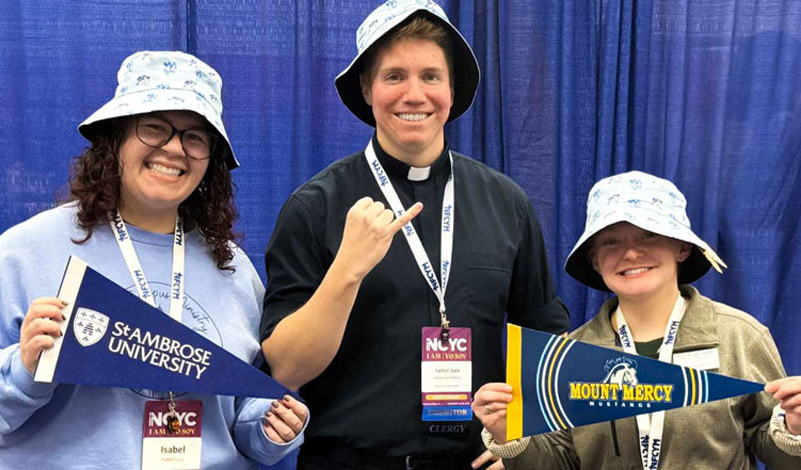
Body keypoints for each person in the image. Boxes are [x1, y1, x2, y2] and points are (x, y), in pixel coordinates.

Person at [260, 1, 569, 468]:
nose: (414, 94)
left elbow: (547, 342)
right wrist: (346, 270)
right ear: (367, 88)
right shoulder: (315, 207)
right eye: (394, 76)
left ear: (450, 89)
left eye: (430, 76)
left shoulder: (507, 204)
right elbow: (284, 368)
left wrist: (524, 448)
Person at [0, 50, 307, 468]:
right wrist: (24, 368)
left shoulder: (233, 270)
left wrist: (270, 426)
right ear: (116, 140)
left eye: (195, 137)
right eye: (154, 128)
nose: (174, 148)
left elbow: (243, 410)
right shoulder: (23, 253)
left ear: (210, 161)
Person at [473, 171, 801, 469]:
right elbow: (561, 460)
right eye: (612, 241)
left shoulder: (740, 336)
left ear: (682, 247)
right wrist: (509, 437)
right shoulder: (571, 354)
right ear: (595, 260)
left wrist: (794, 429)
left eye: (649, 235)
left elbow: (772, 447)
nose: (631, 253)